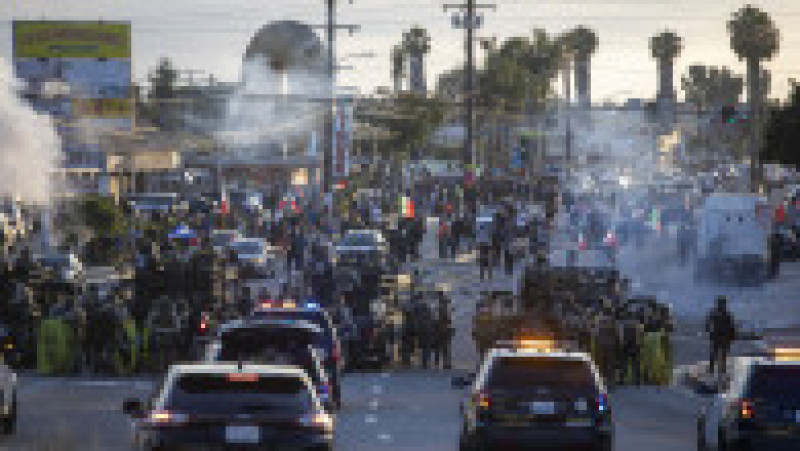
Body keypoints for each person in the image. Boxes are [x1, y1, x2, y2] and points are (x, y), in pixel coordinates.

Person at [705, 296, 736, 376]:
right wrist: (709, 331)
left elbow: (732, 326)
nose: (723, 305)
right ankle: (714, 369)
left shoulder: (725, 314)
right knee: (716, 353)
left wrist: (732, 335)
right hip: (718, 336)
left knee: (722, 354)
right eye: (722, 303)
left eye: (723, 304)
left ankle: (720, 370)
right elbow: (708, 324)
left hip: (722, 336)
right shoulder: (717, 313)